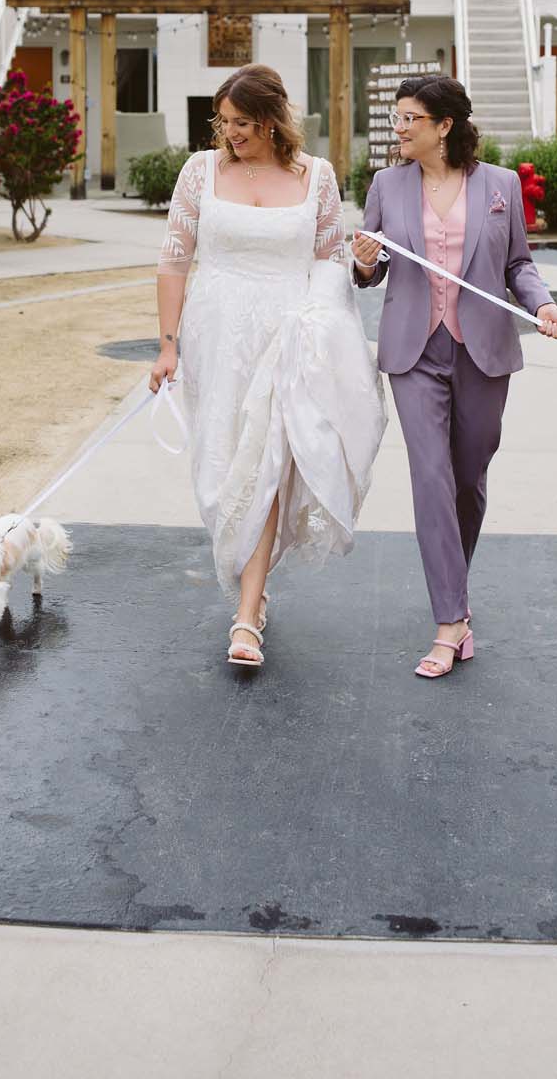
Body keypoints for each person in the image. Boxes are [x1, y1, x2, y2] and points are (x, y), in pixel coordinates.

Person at [151, 64, 385, 669]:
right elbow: (174, 262)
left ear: (274, 121)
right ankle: (248, 582)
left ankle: (247, 614)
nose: (231, 134)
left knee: (269, 463)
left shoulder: (318, 177)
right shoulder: (199, 172)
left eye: (243, 124)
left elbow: (332, 264)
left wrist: (358, 268)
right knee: (221, 467)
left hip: (288, 335)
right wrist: (168, 345)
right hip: (216, 334)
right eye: (223, 122)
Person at [351, 75, 557, 679]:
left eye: (409, 119)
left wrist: (543, 305)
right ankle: (449, 620)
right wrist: (364, 264)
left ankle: (456, 594)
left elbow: (519, 264)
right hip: (413, 352)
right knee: (430, 476)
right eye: (395, 118)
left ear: (444, 126)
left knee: (468, 480)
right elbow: (372, 268)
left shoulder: (499, 185)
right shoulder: (385, 186)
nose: (398, 129)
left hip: (483, 351)